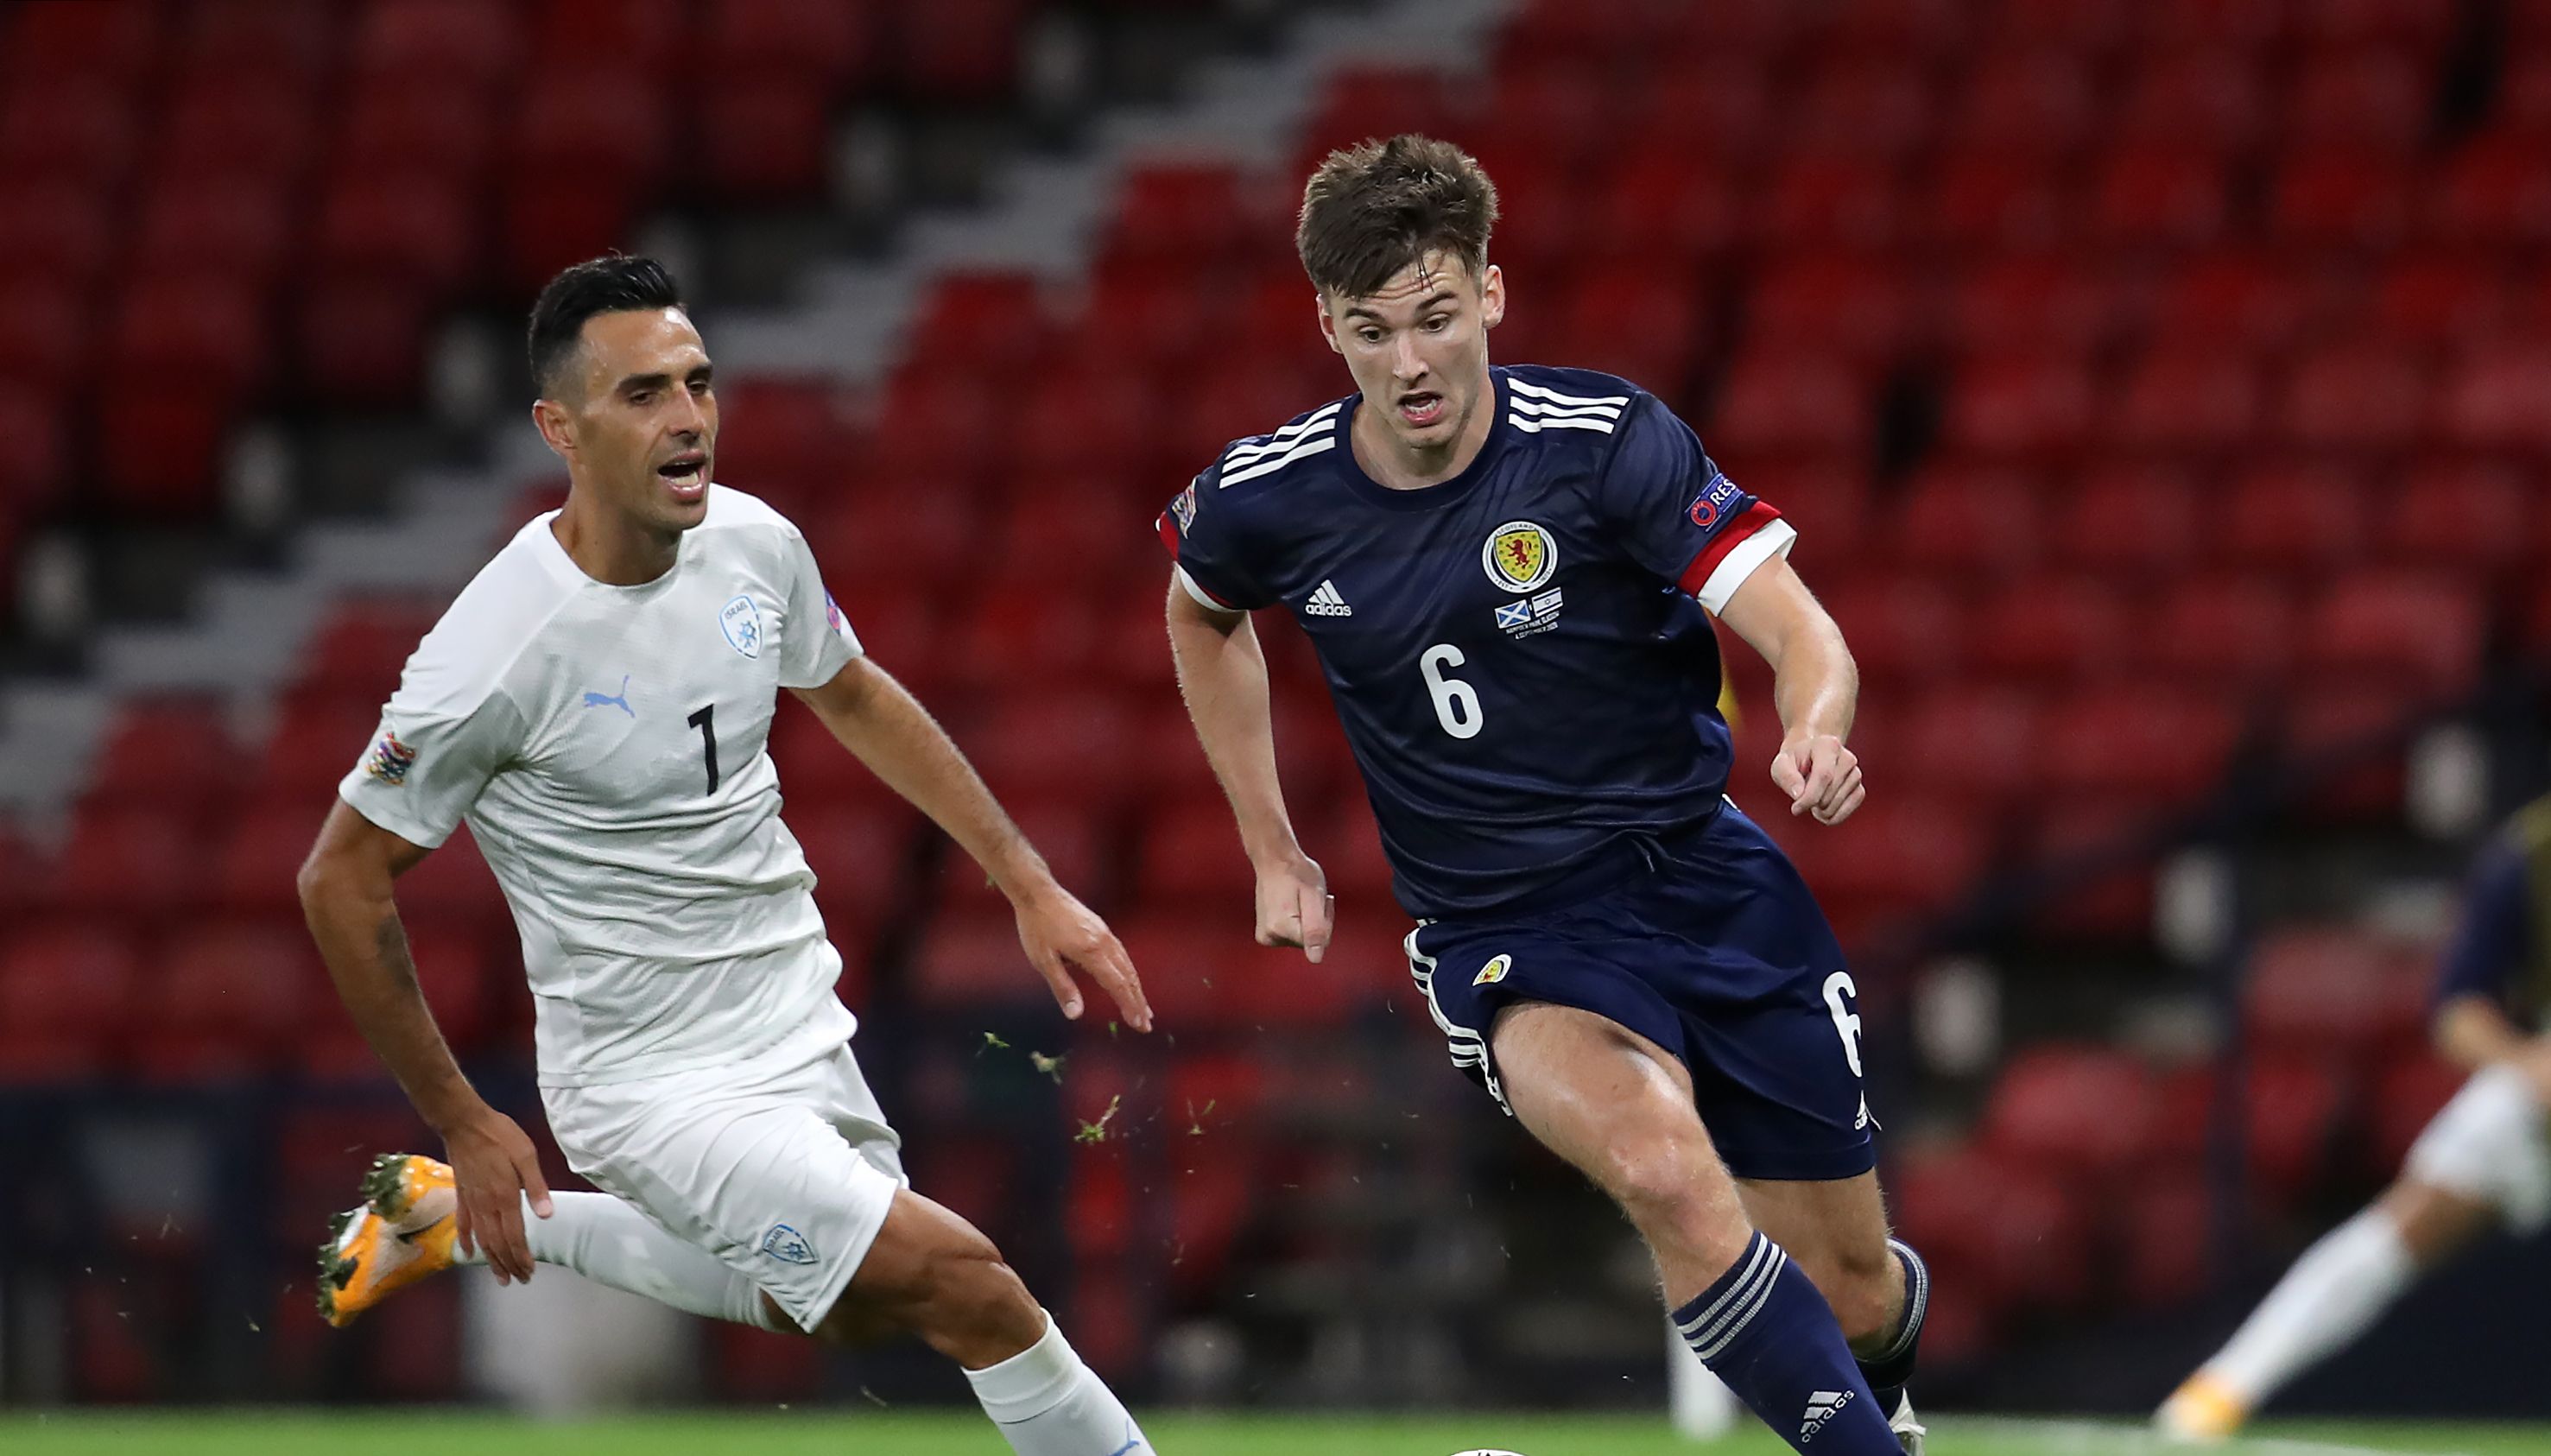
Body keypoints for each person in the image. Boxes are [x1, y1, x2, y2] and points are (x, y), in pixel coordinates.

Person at [298, 255, 1158, 1456]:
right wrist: (461, 1111)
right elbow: (338, 878)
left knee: (861, 1306)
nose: (689, 417)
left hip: (790, 1009)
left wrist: (1025, 879)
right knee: (971, 1286)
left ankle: (452, 1223)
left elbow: (851, 692)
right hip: (648, 1076)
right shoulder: (493, 653)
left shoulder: (753, 542)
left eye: (698, 383)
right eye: (644, 393)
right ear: (561, 427)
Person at [1157, 135, 1928, 1455]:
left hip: (1710, 881)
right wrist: (1268, 843)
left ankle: (1879, 1394)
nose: (1409, 363)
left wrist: (1814, 727)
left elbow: (1806, 636)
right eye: (1371, 330)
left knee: (1852, 1292)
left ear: (1491, 298)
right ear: (1326, 327)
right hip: (1509, 928)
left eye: (1437, 319)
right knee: (1660, 1167)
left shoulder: (1604, 441)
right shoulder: (1266, 495)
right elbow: (1200, 613)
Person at [2157, 794, 2551, 1441]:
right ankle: (2215, 1396)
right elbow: (2458, 1010)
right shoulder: (2532, 851)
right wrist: (2527, 1066)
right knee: (2403, 1227)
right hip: (2537, 1091)